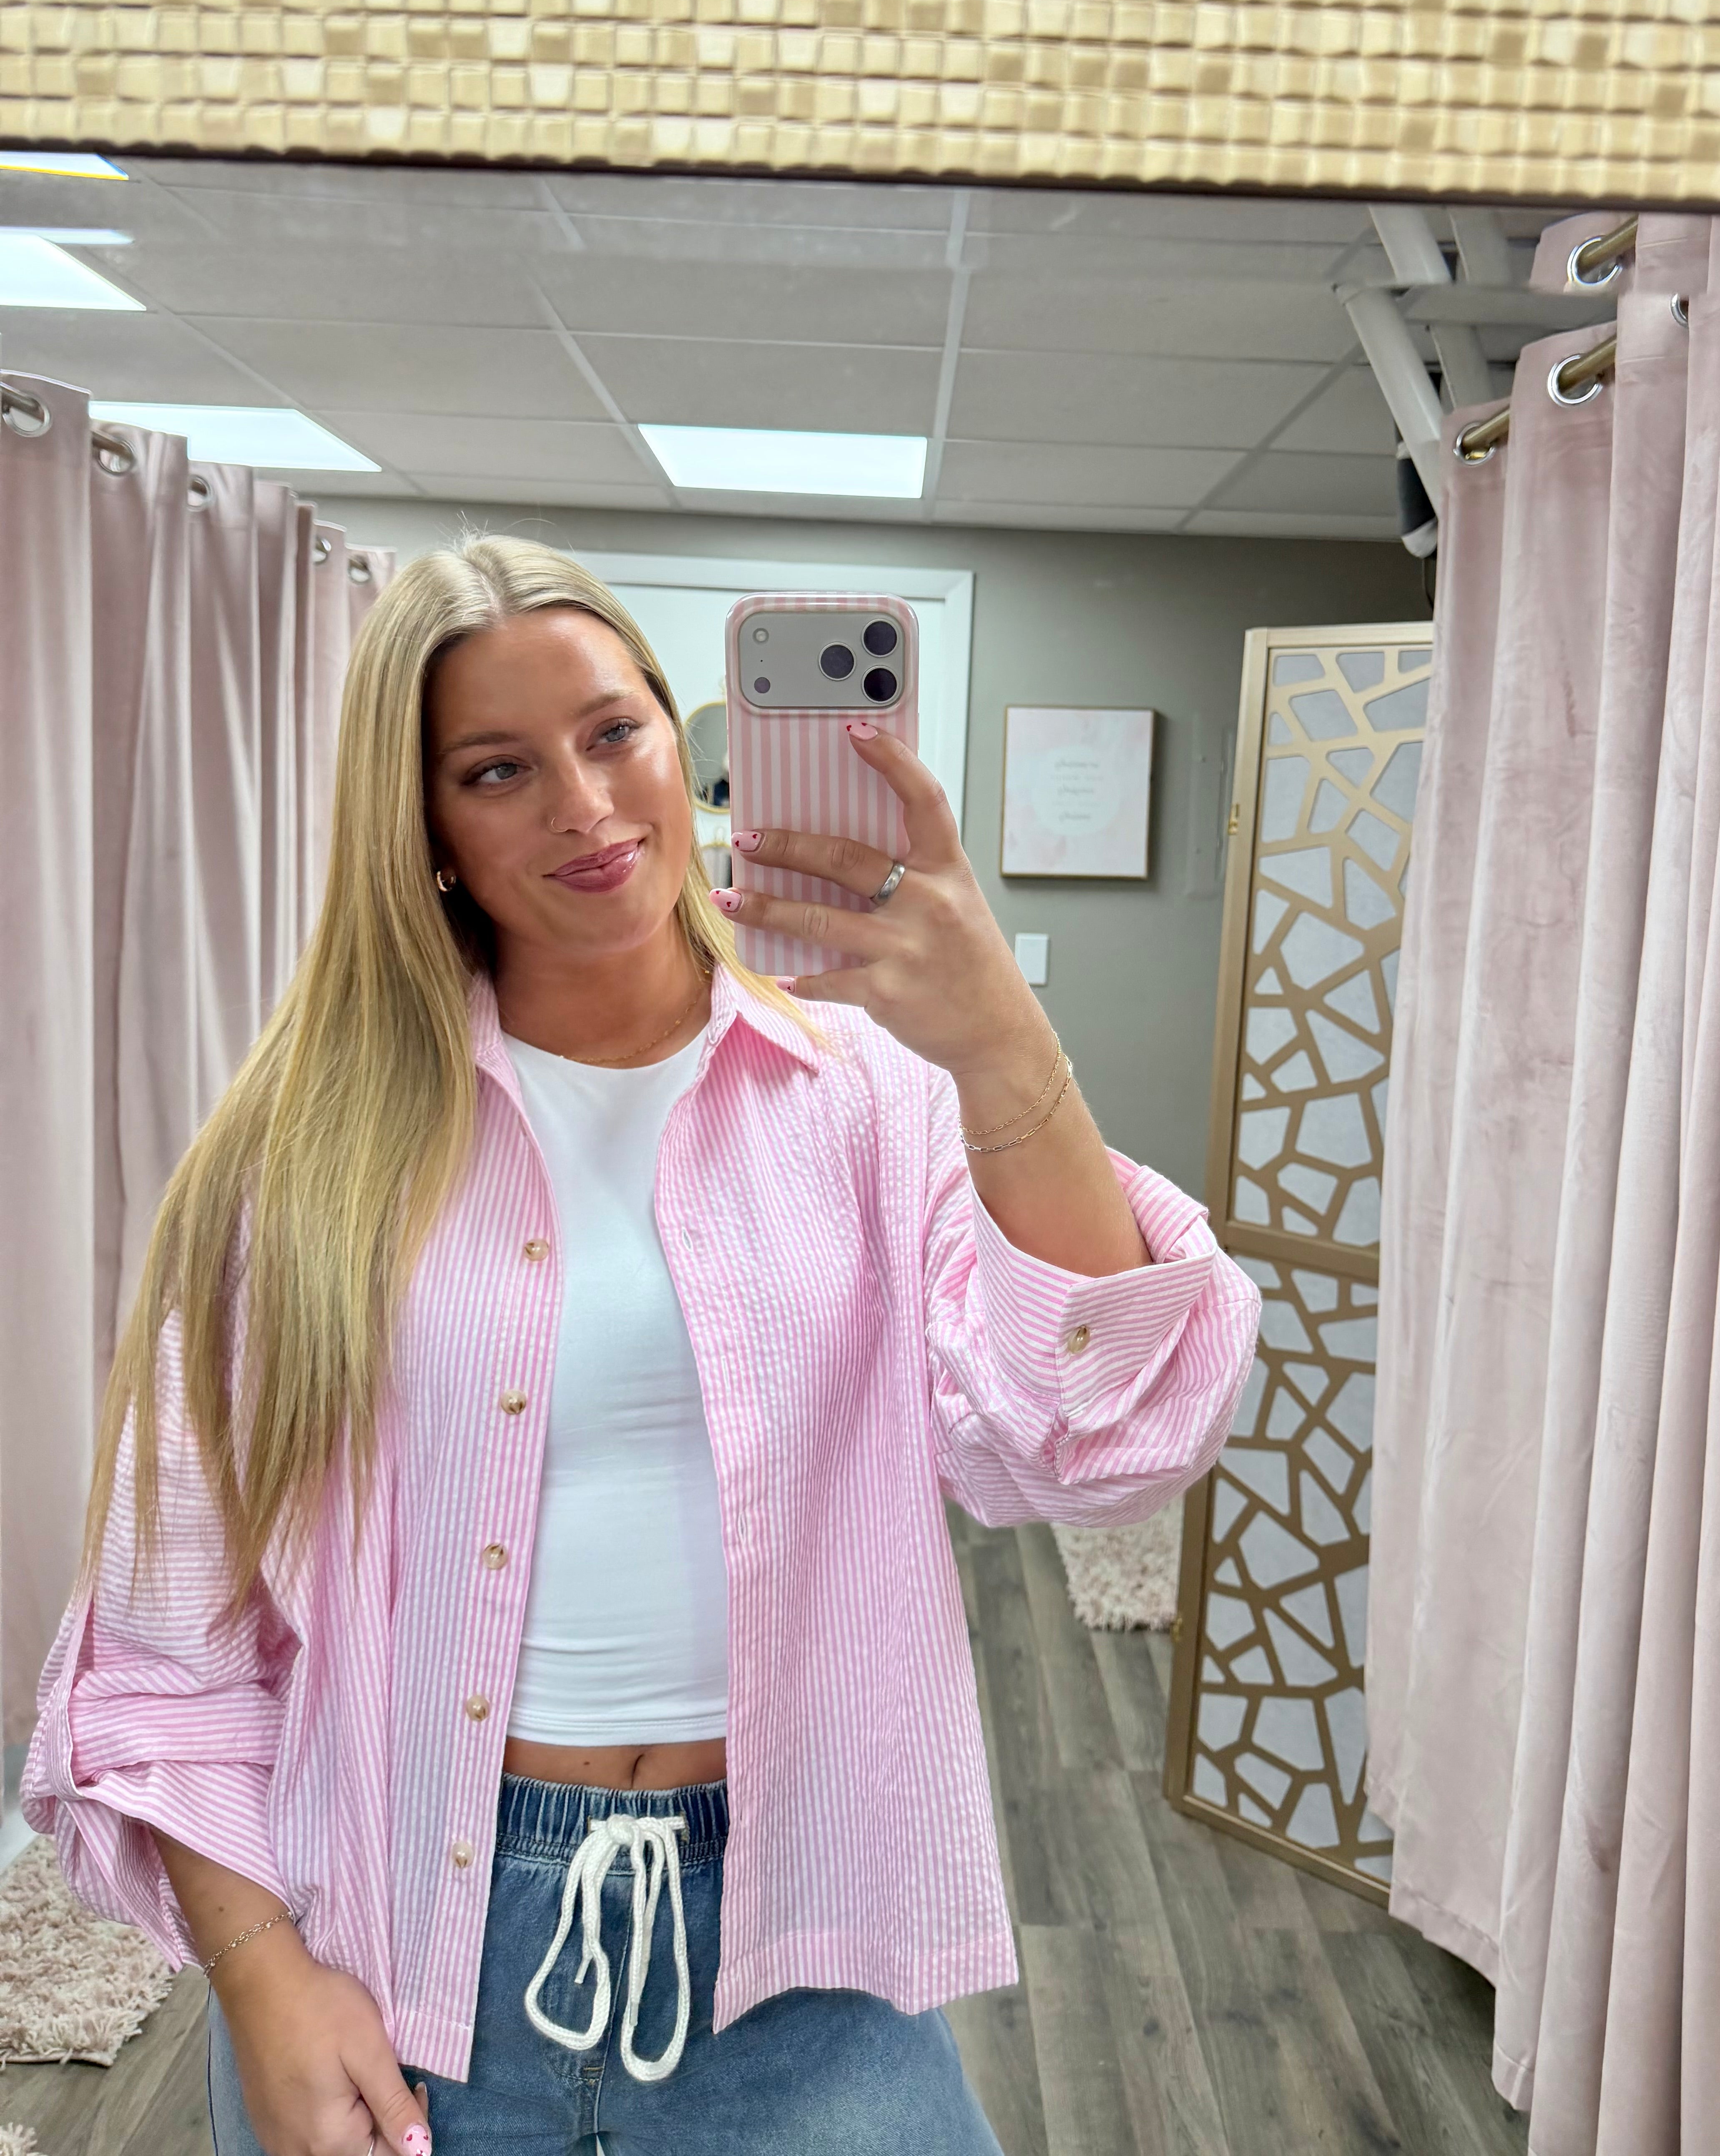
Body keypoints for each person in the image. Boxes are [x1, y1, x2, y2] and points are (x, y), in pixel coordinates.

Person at [24, 539, 1261, 2156]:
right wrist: (265, 1981)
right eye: (498, 770)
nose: (586, 805)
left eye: (616, 733)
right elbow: (165, 1636)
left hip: (799, 1946)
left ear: (686, 741)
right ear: (428, 830)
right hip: (391, 1955)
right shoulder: (303, 1156)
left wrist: (1004, 1051)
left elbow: (1101, 1445)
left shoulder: (875, 1102)